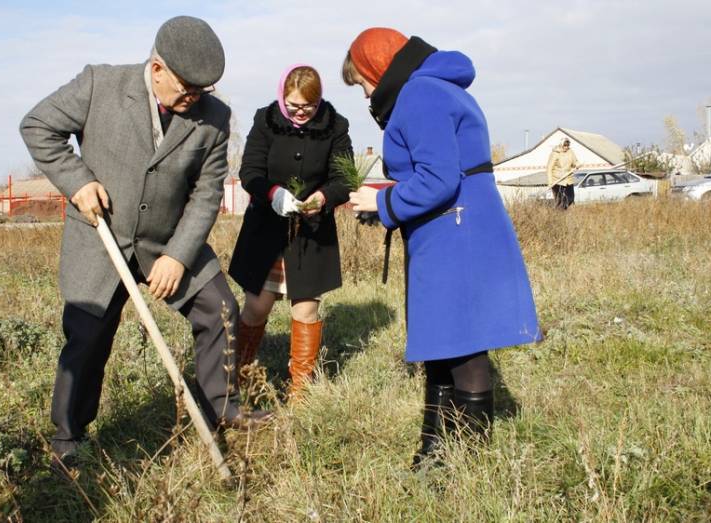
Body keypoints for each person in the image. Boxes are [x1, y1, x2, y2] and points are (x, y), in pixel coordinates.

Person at [20, 16, 270, 471]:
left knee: (220, 309)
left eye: (203, 91)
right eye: (187, 88)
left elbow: (207, 192)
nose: (194, 99)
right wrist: (77, 182)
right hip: (102, 238)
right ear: (158, 69)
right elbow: (38, 126)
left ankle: (222, 407)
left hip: (168, 240)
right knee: (88, 338)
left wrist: (177, 255)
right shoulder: (100, 85)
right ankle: (68, 437)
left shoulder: (213, 118)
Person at [343, 28, 540, 467]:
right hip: (453, 227)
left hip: (455, 230)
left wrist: (384, 200)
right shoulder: (433, 88)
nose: (366, 94)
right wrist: (387, 201)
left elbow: (439, 179)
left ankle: (466, 459)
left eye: (363, 82)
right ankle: (436, 448)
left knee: (463, 343)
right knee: (441, 340)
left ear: (379, 67)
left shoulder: (419, 95)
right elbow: (439, 171)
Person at [229, 64, 353, 398]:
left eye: (308, 107)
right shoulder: (265, 121)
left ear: (319, 101)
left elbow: (346, 179)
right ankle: (239, 378)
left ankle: (300, 391)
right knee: (256, 307)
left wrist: (324, 196)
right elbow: (250, 171)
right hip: (266, 231)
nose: (300, 113)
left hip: (311, 233)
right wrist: (273, 194)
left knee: (306, 310)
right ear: (283, 98)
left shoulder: (336, 126)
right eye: (294, 106)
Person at [547, 138, 579, 209]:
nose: (566, 147)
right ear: (561, 145)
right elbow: (549, 168)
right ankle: (558, 214)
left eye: (567, 145)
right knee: (560, 200)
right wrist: (550, 182)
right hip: (557, 181)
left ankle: (561, 210)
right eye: (565, 145)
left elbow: (575, 161)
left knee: (570, 198)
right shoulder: (555, 153)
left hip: (568, 179)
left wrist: (577, 164)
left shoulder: (570, 152)